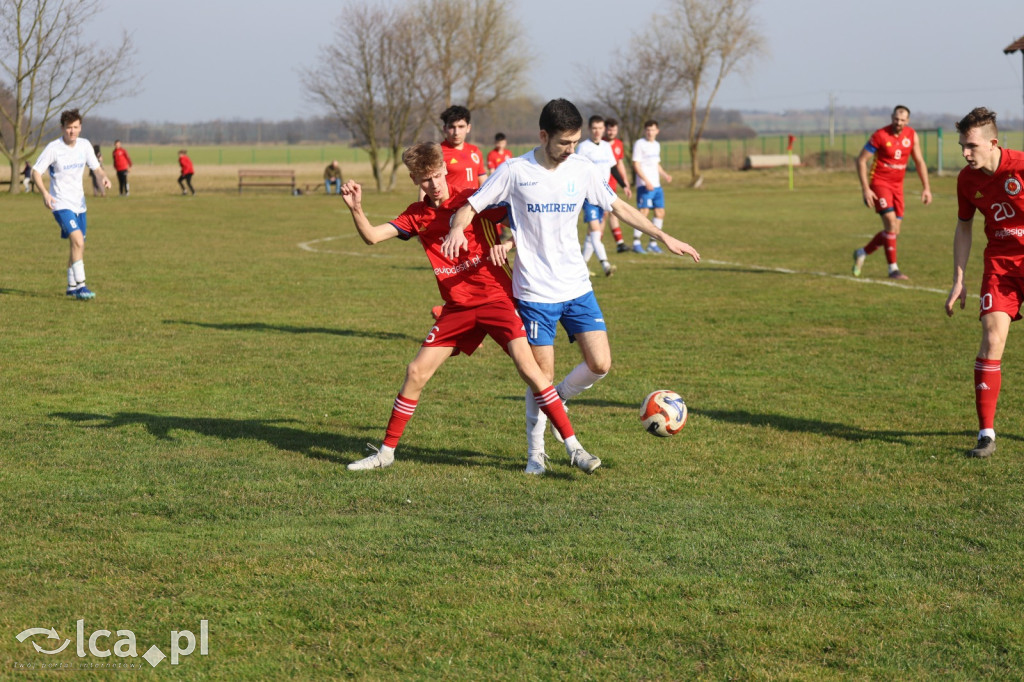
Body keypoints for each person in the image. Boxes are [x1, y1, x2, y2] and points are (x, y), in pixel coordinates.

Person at [443, 99, 701, 474]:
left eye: (575, 142)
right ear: (543, 135)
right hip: (534, 293)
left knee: (600, 364)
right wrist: (455, 228)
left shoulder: (581, 168)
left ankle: (558, 399)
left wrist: (662, 235)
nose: (570, 149)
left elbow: (618, 207)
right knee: (540, 378)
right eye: (564, 142)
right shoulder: (514, 170)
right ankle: (536, 454)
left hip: (577, 286)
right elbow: (470, 206)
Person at [339, 141, 597, 473]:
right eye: (423, 180)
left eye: (435, 176)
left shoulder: (475, 198)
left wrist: (506, 243)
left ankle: (574, 448)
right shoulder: (417, 215)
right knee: (416, 372)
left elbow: (525, 219)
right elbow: (373, 236)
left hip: (496, 300)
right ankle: (386, 453)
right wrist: (356, 208)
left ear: (445, 169)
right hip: (457, 308)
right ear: (416, 180)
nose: (432, 185)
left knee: (530, 370)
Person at [945, 107, 1024, 459]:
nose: (965, 152)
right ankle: (986, 434)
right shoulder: (967, 180)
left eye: (971, 146)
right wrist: (959, 279)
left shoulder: (1021, 165)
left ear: (993, 142)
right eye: (962, 144)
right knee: (992, 339)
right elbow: (964, 227)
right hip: (1000, 267)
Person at [31, 109, 111, 300]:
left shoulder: (84, 145)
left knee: (77, 246)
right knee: (78, 241)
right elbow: (35, 171)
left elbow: (96, 168)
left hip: (79, 204)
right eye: (69, 128)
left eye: (75, 127)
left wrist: (104, 177)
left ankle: (71, 285)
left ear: (80, 127)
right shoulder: (54, 148)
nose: (72, 131)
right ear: (62, 128)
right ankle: (82, 287)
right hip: (60, 204)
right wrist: (45, 194)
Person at [852, 105, 932, 280]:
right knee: (889, 222)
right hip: (879, 183)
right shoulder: (880, 135)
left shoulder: (911, 135)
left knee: (894, 231)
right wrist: (866, 189)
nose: (899, 122)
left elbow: (919, 162)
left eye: (903, 120)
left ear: (907, 121)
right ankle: (893, 270)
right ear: (892, 118)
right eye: (896, 119)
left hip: (897, 186)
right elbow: (861, 160)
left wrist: (926, 187)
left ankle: (862, 252)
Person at [576, 115, 631, 277]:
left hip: (604, 195)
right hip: (589, 195)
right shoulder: (583, 147)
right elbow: (577, 171)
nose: (597, 131)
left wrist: (624, 185)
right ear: (589, 129)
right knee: (595, 230)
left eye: (600, 128)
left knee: (592, 233)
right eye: (594, 128)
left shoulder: (607, 146)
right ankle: (605, 264)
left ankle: (582, 267)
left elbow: (613, 168)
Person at [631, 120, 672, 254]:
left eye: (652, 129)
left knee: (660, 213)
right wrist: (646, 181)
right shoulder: (639, 144)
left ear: (657, 131)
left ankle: (652, 243)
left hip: (657, 186)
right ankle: (636, 242)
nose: (650, 132)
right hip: (645, 186)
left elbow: (656, 164)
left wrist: (665, 174)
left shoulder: (656, 145)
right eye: (648, 130)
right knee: (644, 213)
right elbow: (636, 165)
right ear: (645, 131)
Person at [439, 105, 487, 195]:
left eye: (461, 126)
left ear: (468, 128)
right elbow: (427, 186)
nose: (456, 132)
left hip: (472, 206)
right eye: (452, 127)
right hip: (450, 207)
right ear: (445, 129)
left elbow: (483, 181)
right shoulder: (438, 153)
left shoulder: (475, 151)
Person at [603, 118, 629, 252]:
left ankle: (619, 243)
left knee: (613, 212)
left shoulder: (619, 144)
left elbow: (619, 164)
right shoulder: (600, 143)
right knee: (603, 216)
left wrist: (625, 183)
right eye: (609, 129)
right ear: (605, 129)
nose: (611, 131)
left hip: (613, 184)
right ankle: (596, 243)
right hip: (601, 185)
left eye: (614, 129)